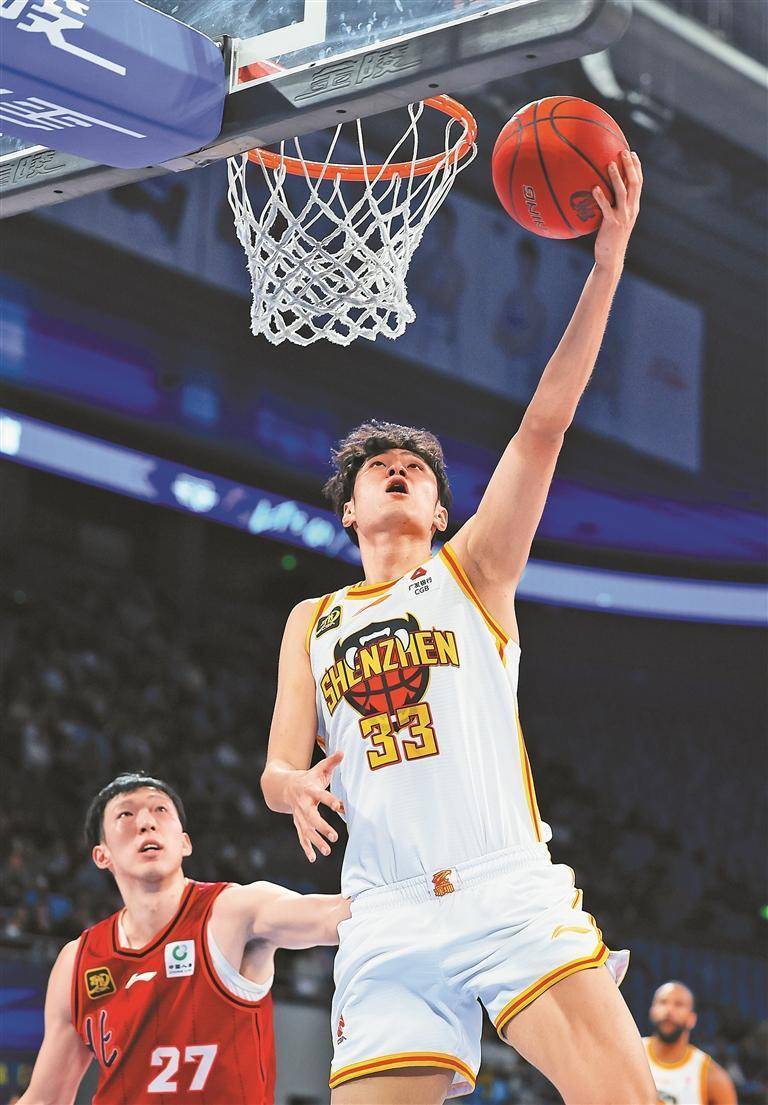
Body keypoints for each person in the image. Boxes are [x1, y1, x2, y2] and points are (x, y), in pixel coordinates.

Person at [262, 151, 657, 1104]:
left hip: (504, 889)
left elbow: (543, 427)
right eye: (378, 468)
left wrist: (606, 266)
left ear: (441, 511)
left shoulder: (471, 573)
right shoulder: (313, 619)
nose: (397, 468)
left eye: (416, 469)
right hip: (387, 913)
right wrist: (287, 784)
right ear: (349, 511)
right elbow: (278, 762)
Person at [19, 772, 349, 1105]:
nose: (146, 822)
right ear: (102, 855)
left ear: (184, 843)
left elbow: (333, 916)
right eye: (125, 814)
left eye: (160, 810)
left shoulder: (233, 912)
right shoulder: (77, 961)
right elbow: (45, 1099)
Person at [644, 981, 738, 1105]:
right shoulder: (631, 1053)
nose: (669, 1010)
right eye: (663, 1002)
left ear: (692, 1019)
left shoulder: (712, 1076)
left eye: (678, 1004)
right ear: (652, 1011)